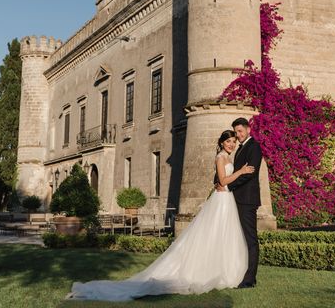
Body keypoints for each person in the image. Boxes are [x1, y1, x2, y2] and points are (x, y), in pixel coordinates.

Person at [66, 129, 255, 301]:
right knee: (214, 234)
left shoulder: (229, 157)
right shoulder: (221, 157)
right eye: (228, 141)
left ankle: (223, 270)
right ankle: (211, 271)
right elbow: (222, 179)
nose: (231, 144)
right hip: (221, 201)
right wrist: (241, 171)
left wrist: (233, 175)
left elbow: (220, 181)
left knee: (222, 237)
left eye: (233, 141)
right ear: (222, 143)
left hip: (226, 200)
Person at [218, 117, 262, 288]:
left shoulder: (254, 147)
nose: (238, 135)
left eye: (240, 131)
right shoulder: (242, 148)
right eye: (236, 132)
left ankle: (250, 279)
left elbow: (250, 173)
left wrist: (228, 187)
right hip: (237, 198)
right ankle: (242, 273)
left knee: (250, 238)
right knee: (240, 238)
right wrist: (221, 183)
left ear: (248, 130)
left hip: (247, 200)